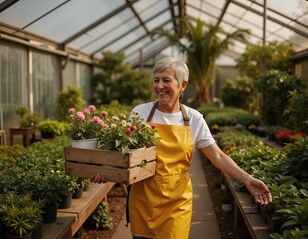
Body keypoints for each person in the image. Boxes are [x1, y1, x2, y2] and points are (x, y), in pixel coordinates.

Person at [92, 57, 272, 239]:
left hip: (177, 201)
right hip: (143, 199)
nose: (159, 86)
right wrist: (106, 170)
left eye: (166, 80)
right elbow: (124, 154)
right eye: (156, 80)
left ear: (183, 85)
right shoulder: (141, 113)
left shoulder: (194, 119)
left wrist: (247, 179)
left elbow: (217, 156)